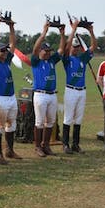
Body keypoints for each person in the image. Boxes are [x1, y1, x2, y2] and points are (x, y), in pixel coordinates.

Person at [0, 16, 22, 165]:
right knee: (0, 126)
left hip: (11, 97)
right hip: (1, 98)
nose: (4, 52)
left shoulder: (7, 60)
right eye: (1, 50)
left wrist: (11, 27)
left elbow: (13, 44)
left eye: (4, 50)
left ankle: (9, 150)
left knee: (11, 124)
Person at [61, 19, 97, 154]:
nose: (75, 48)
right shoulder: (67, 59)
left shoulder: (82, 58)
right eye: (73, 47)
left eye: (77, 47)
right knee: (68, 118)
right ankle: (65, 144)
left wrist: (91, 32)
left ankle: (75, 144)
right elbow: (66, 45)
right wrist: (74, 29)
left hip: (82, 91)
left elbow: (93, 46)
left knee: (78, 119)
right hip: (70, 90)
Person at [31, 21, 66, 157]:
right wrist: (44, 32)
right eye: (46, 51)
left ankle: (46, 145)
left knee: (50, 121)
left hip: (52, 94)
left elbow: (61, 50)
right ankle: (37, 146)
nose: (48, 53)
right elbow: (35, 49)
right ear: (41, 51)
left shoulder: (51, 61)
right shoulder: (36, 61)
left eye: (49, 51)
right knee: (39, 122)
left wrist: (62, 35)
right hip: (40, 95)